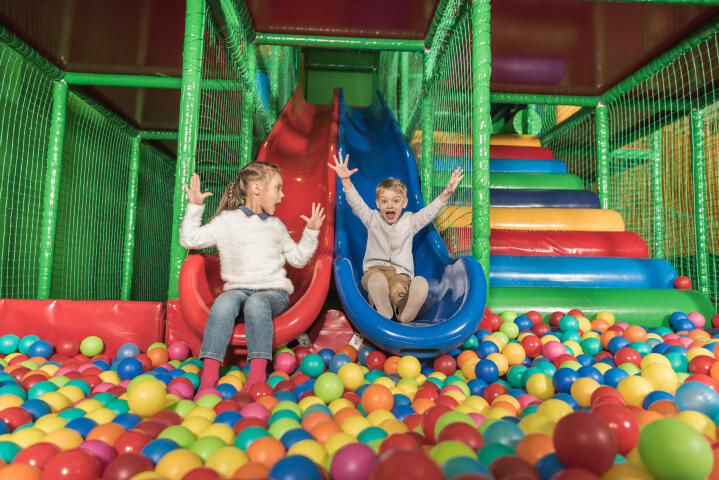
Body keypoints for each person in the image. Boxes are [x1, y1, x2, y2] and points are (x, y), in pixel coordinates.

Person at [180, 161, 325, 393]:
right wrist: (195, 207)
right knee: (224, 302)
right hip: (238, 291)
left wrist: (311, 232)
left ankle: (256, 374)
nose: (282, 194)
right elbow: (190, 239)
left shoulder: (276, 225)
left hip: (272, 293)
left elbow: (298, 259)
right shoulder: (227, 221)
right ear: (257, 189)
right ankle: (208, 376)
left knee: (256, 303)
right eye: (278, 187)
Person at [329, 151, 463, 323]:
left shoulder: (410, 221)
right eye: (384, 201)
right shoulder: (372, 218)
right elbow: (357, 202)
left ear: (404, 203)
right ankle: (382, 308)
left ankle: (403, 310)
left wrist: (446, 193)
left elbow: (428, 213)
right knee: (376, 281)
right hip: (374, 270)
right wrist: (346, 181)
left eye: (395, 201)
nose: (389, 205)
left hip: (401, 274)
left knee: (399, 289)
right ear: (377, 204)